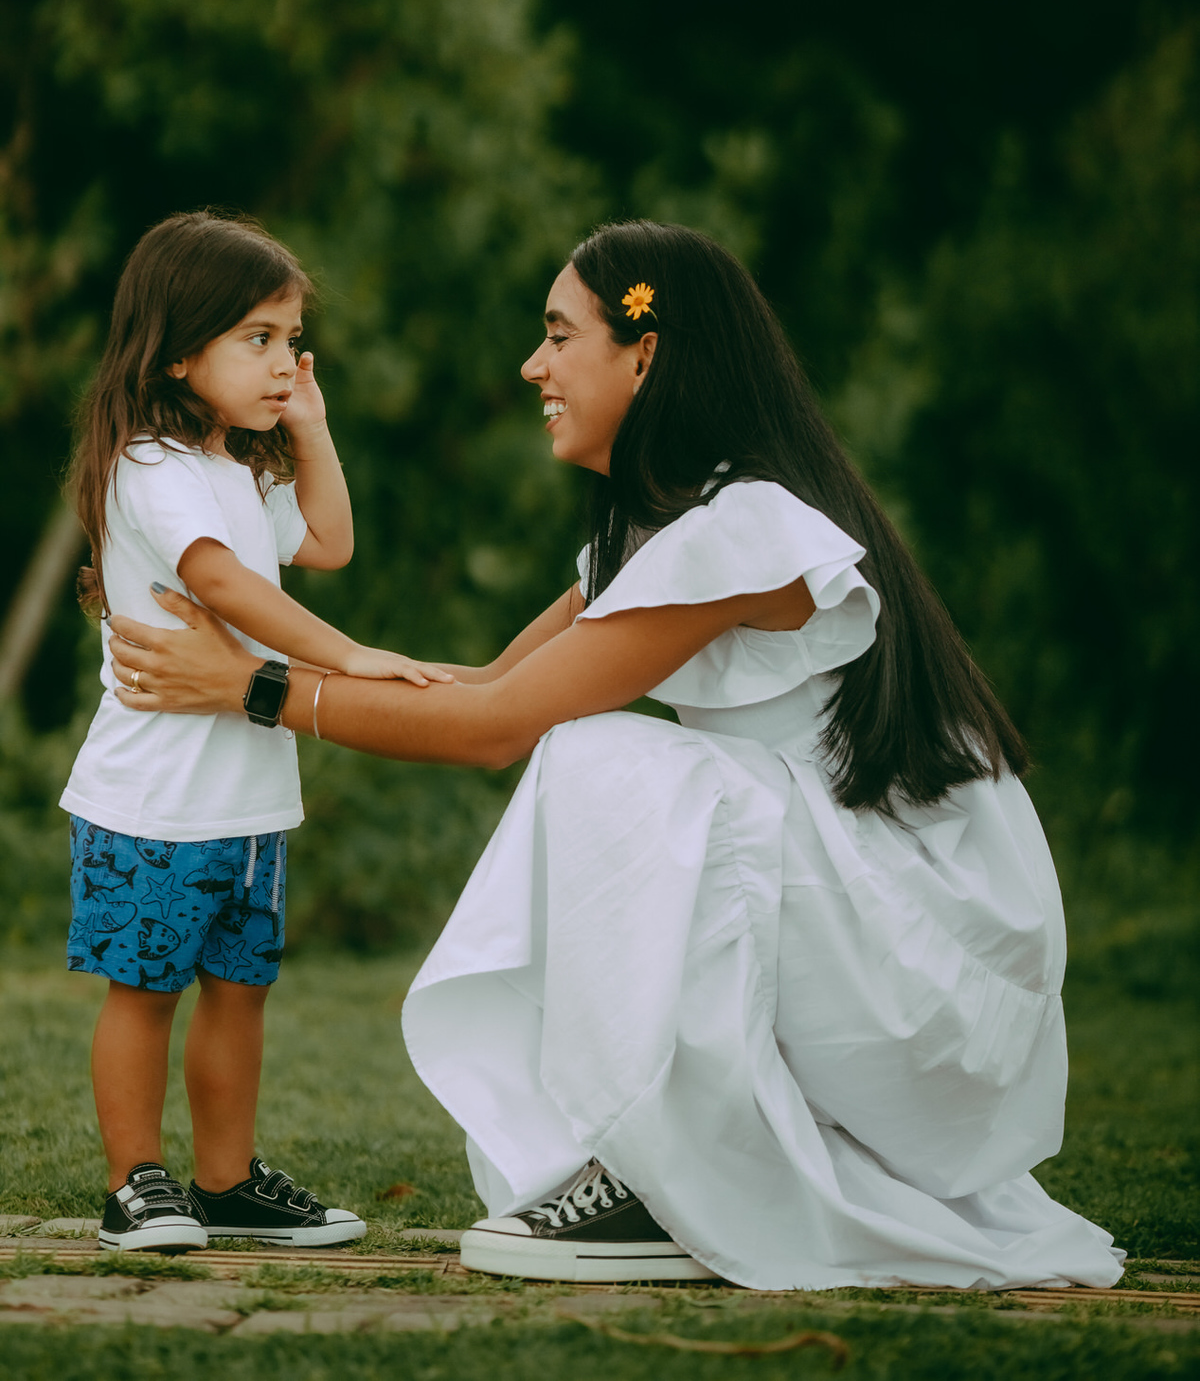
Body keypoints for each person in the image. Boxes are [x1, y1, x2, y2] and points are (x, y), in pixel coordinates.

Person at [104, 220, 1123, 1292]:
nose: (532, 365)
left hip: (934, 952)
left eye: (558, 334)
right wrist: (289, 681)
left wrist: (256, 689)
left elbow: (498, 733)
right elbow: (491, 690)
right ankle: (671, 1166)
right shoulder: (662, 527)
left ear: (646, 355)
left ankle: (658, 1177)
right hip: (859, 912)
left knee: (608, 766)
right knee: (609, 759)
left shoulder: (746, 528)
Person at [64, 210, 452, 1254]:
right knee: (145, 994)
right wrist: (346, 658)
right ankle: (134, 1186)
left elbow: (328, 540)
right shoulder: (149, 467)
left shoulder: (238, 468)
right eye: (258, 339)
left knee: (240, 994)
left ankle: (227, 1183)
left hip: (246, 803)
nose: (283, 362)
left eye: (291, 339)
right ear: (179, 351)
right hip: (153, 799)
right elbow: (224, 582)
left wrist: (311, 426)